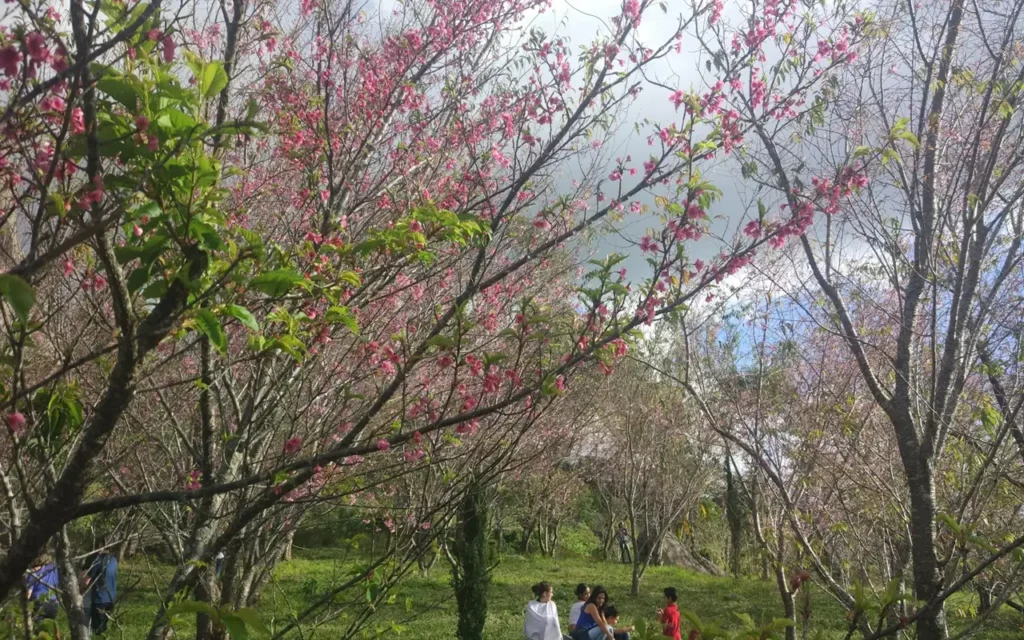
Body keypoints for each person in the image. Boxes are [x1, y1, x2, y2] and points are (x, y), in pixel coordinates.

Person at [85, 549, 118, 635]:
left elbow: (86, 581)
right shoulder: (113, 560)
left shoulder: (98, 560)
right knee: (103, 626)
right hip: (111, 598)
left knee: (98, 629)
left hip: (99, 599)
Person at [25, 554, 60, 633]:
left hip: (39, 603)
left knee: (37, 631)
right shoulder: (54, 570)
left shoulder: (34, 573)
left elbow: (28, 594)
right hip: (54, 603)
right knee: (48, 630)